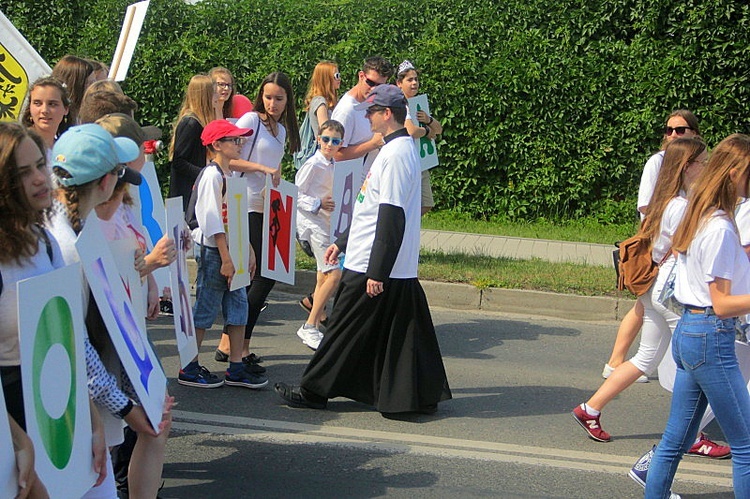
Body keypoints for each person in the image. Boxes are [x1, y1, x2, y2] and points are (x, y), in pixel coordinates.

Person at [275, 85, 452, 415]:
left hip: (373, 260)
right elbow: (368, 205)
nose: (367, 116)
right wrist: (341, 242)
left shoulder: (398, 155)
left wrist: (377, 271)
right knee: (406, 328)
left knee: (342, 326)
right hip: (376, 258)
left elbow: (391, 215)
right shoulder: (392, 149)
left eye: (372, 111)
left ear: (387, 115)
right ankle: (420, 395)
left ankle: (313, 391)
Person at [573, 138, 728, 453]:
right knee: (698, 360)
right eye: (703, 161)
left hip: (654, 289)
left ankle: (590, 409)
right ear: (687, 167)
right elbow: (699, 247)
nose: (708, 165)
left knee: (646, 357)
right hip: (670, 290)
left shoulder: (669, 199)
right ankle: (691, 435)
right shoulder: (681, 206)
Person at [47, 123, 171, 497]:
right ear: (104, 184)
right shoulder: (68, 245)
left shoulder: (74, 232)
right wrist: (127, 406)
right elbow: (74, 343)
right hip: (67, 402)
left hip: (80, 398)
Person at [0, 122, 106, 494]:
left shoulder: (44, 240)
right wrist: (17, 441)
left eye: (40, 166)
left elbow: (68, 339)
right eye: (23, 172)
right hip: (11, 411)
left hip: (55, 406)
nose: (40, 178)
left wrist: (92, 424)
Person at [644, 134, 750, 498]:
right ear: (734, 172)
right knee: (747, 445)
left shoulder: (700, 214)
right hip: (710, 334)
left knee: (677, 438)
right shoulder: (719, 226)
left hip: (692, 332)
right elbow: (721, 303)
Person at [603, 110, 701, 381]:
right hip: (661, 258)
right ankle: (617, 361)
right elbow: (647, 208)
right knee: (684, 335)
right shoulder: (659, 164)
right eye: (669, 130)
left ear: (694, 132)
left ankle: (596, 400)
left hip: (665, 260)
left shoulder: (694, 167)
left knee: (648, 317)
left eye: (679, 130)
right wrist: (660, 240)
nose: (672, 135)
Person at [214, 72, 300, 366]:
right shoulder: (251, 121)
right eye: (268, 97)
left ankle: (232, 340)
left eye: (279, 98)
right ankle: (237, 343)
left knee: (266, 275)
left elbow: (273, 169)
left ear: (288, 100)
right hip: (245, 204)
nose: (273, 103)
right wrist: (262, 169)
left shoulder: (282, 130)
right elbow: (228, 157)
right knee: (257, 275)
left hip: (271, 206)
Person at [178, 119, 266, 389]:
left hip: (232, 251)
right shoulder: (212, 176)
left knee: (238, 306)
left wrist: (247, 249)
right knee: (206, 306)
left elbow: (235, 219)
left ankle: (236, 366)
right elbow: (212, 221)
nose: (240, 144)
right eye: (234, 140)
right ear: (216, 144)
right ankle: (189, 366)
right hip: (217, 252)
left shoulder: (228, 176)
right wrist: (227, 258)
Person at [297, 60, 342, 315]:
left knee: (323, 266)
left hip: (324, 174)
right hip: (316, 188)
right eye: (336, 75)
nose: (340, 79)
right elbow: (327, 130)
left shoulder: (323, 101)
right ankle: (314, 317)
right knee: (331, 267)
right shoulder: (321, 102)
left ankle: (317, 306)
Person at [295, 120, 344, 350]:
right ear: (318, 139)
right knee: (334, 273)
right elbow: (295, 193)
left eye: (335, 141)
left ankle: (315, 315)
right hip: (312, 225)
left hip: (325, 225)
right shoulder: (313, 164)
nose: (329, 145)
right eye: (325, 139)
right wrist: (318, 203)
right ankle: (310, 325)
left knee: (323, 276)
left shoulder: (333, 164)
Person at [395, 60, 443, 215]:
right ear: (399, 83)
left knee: (426, 203)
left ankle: (408, 226)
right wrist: (426, 131)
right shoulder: (398, 103)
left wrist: (428, 120)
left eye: (416, 79)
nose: (414, 83)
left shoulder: (418, 104)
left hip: (420, 162)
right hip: (406, 162)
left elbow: (439, 130)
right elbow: (411, 131)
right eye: (409, 80)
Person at [331, 56, 393, 167]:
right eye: (370, 83)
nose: (374, 89)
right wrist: (372, 144)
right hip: (352, 180)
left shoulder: (372, 102)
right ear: (361, 76)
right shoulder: (346, 110)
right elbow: (335, 154)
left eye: (380, 86)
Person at [169, 74, 216, 212]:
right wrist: (203, 174)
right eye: (212, 92)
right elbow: (178, 161)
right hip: (184, 195)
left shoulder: (197, 121)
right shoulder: (191, 124)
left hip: (191, 192)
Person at [20, 76, 72, 155]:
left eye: (52, 104)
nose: (44, 110)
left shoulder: (67, 148)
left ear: (66, 109)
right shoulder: (18, 143)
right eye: (37, 103)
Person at [51, 55, 95, 123]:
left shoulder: (87, 115)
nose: (94, 87)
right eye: (89, 83)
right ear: (75, 85)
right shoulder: (54, 119)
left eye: (94, 82)